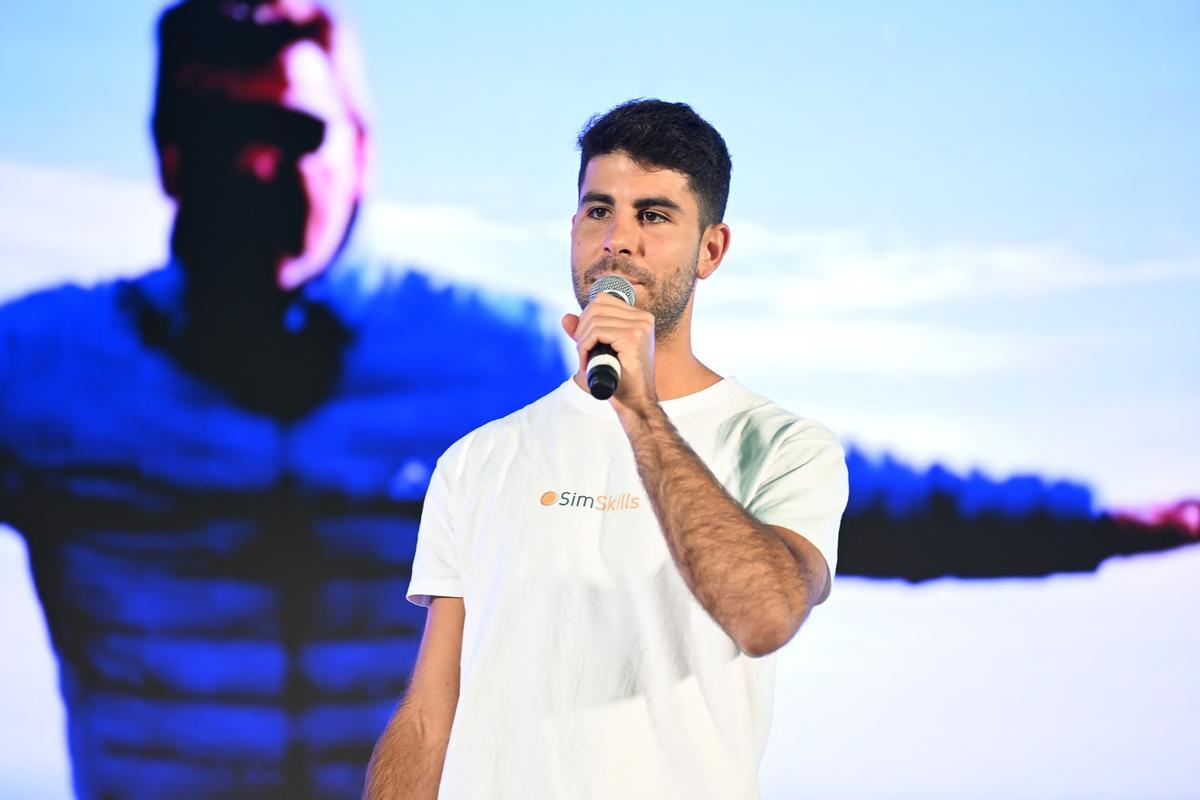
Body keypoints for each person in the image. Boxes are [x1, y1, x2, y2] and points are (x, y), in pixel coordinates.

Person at [0, 1, 565, 798]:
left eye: (296, 132)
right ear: (168, 155)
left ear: (362, 149)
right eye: (219, 133)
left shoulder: (512, 371)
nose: (256, 165)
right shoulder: (39, 370)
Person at [365, 99, 849, 799]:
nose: (618, 240)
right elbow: (430, 715)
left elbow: (766, 617)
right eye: (599, 212)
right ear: (572, 230)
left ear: (711, 250)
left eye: (653, 216)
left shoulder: (783, 447)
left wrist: (639, 409)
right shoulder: (478, 460)